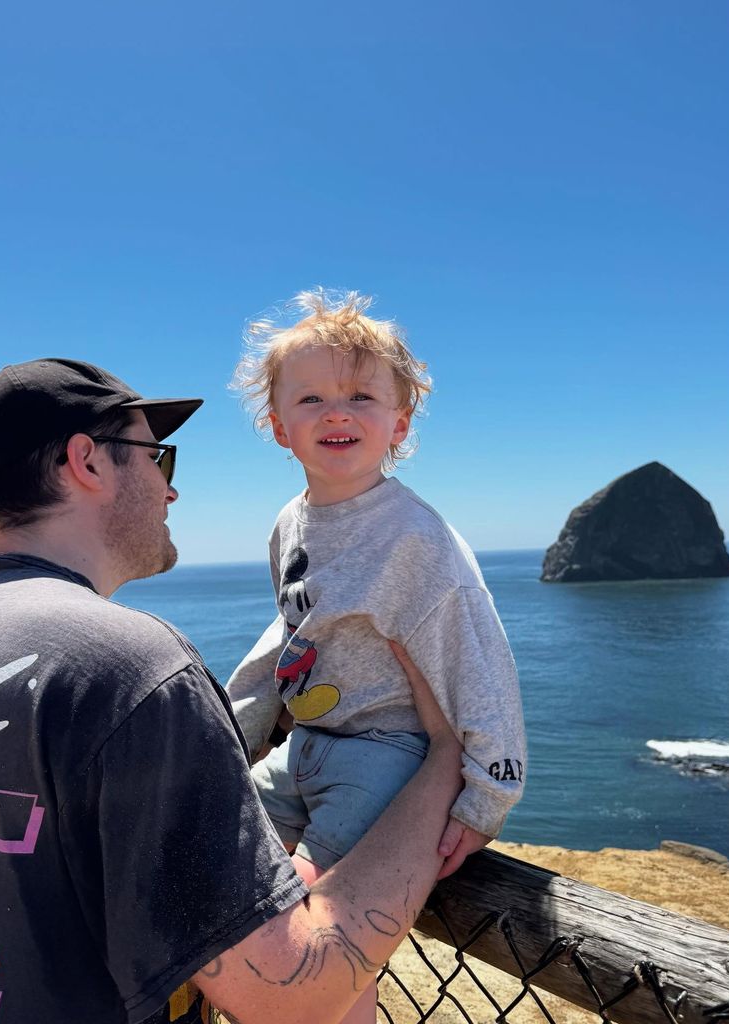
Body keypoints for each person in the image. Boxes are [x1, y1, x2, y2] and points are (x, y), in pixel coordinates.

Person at [0, 357, 463, 1024]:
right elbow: (288, 997)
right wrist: (441, 762)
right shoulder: (128, 668)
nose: (170, 492)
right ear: (87, 462)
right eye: (158, 458)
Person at [227, 290, 527, 1022]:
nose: (338, 412)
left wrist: (489, 794)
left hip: (385, 753)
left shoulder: (416, 538)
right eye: (313, 398)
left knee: (318, 927)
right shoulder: (289, 524)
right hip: (307, 747)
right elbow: (294, 632)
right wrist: (236, 730)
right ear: (278, 427)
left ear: (399, 423)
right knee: (218, 859)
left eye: (362, 395)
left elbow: (475, 651)